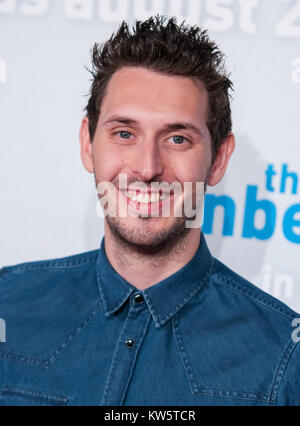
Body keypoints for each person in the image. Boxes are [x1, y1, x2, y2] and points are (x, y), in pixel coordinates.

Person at [0, 15, 299, 407]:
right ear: (88, 145)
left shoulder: (284, 356)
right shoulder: (9, 302)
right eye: (124, 133)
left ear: (219, 159)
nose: (147, 168)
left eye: (177, 138)